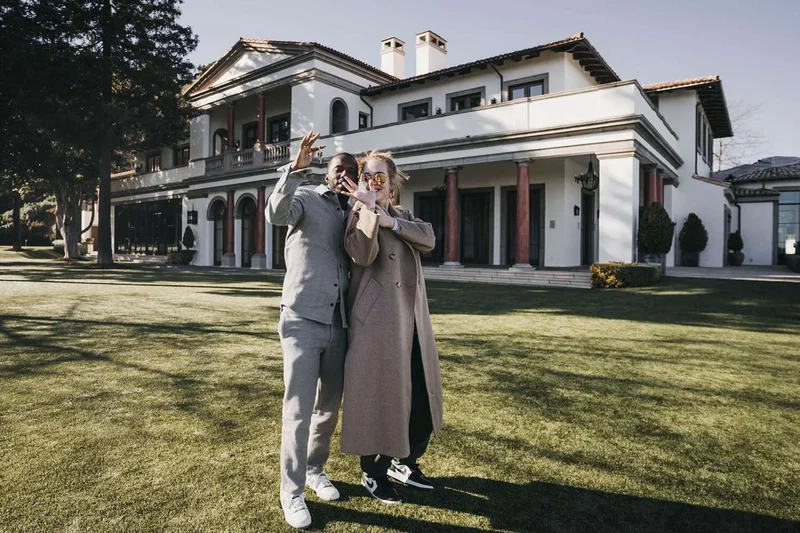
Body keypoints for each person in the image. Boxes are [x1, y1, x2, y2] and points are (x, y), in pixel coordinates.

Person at [339, 150, 444, 505]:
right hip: (376, 326)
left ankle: (406, 462)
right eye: (367, 176)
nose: (373, 183)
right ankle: (373, 471)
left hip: (412, 321)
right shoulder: (356, 216)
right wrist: (370, 212)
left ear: (393, 183)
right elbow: (362, 255)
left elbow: (429, 238)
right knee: (379, 396)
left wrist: (392, 223)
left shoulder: (404, 216)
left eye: (380, 177)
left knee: (421, 395)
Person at [265, 131, 358, 529]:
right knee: (299, 411)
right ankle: (292, 492)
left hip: (339, 323)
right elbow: (275, 213)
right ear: (327, 172)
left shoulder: (353, 212)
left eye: (351, 170)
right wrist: (294, 169)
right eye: (339, 168)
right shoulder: (304, 197)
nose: (345, 174)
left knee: (328, 409)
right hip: (302, 319)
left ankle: (315, 470)